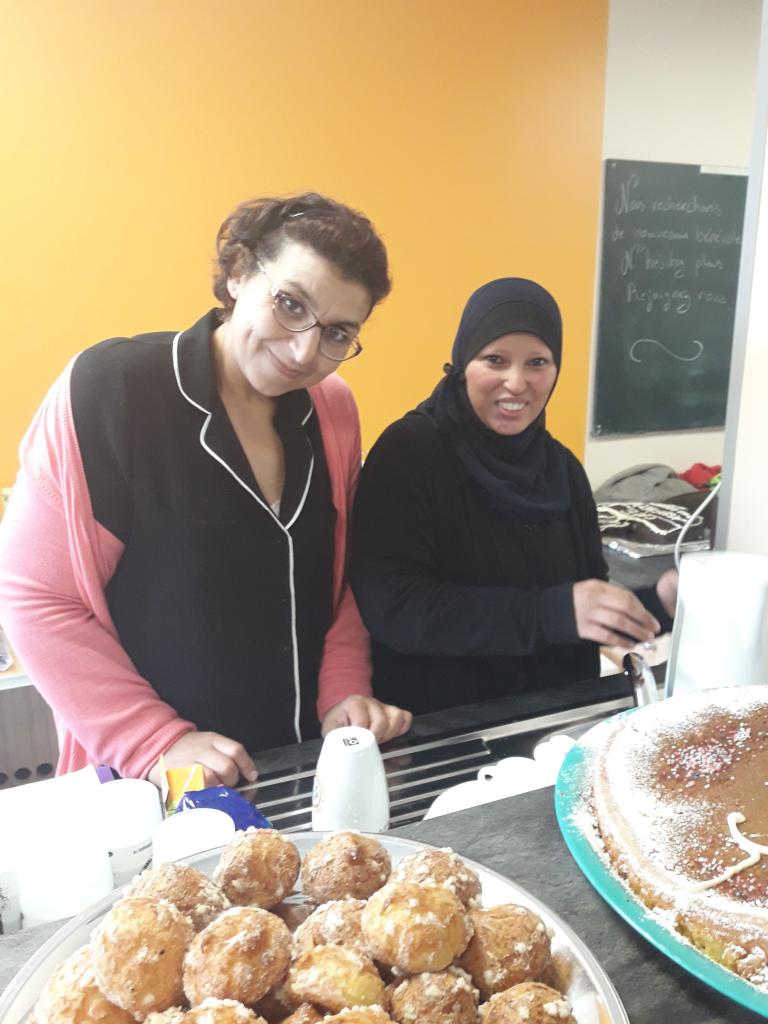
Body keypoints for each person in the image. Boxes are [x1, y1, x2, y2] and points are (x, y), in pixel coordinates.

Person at [0, 192, 411, 786]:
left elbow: (339, 578)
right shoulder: (113, 391)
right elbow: (35, 596)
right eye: (290, 304)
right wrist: (155, 742)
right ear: (239, 273)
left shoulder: (332, 411)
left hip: (298, 769)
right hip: (153, 782)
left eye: (337, 333)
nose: (303, 351)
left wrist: (343, 692)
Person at [350, 277, 677, 715]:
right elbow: (396, 609)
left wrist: (660, 603)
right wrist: (551, 612)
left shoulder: (562, 469)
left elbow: (584, 604)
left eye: (537, 362)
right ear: (464, 361)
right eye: (495, 360)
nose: (517, 382)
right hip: (445, 729)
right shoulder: (410, 452)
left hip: (555, 722)